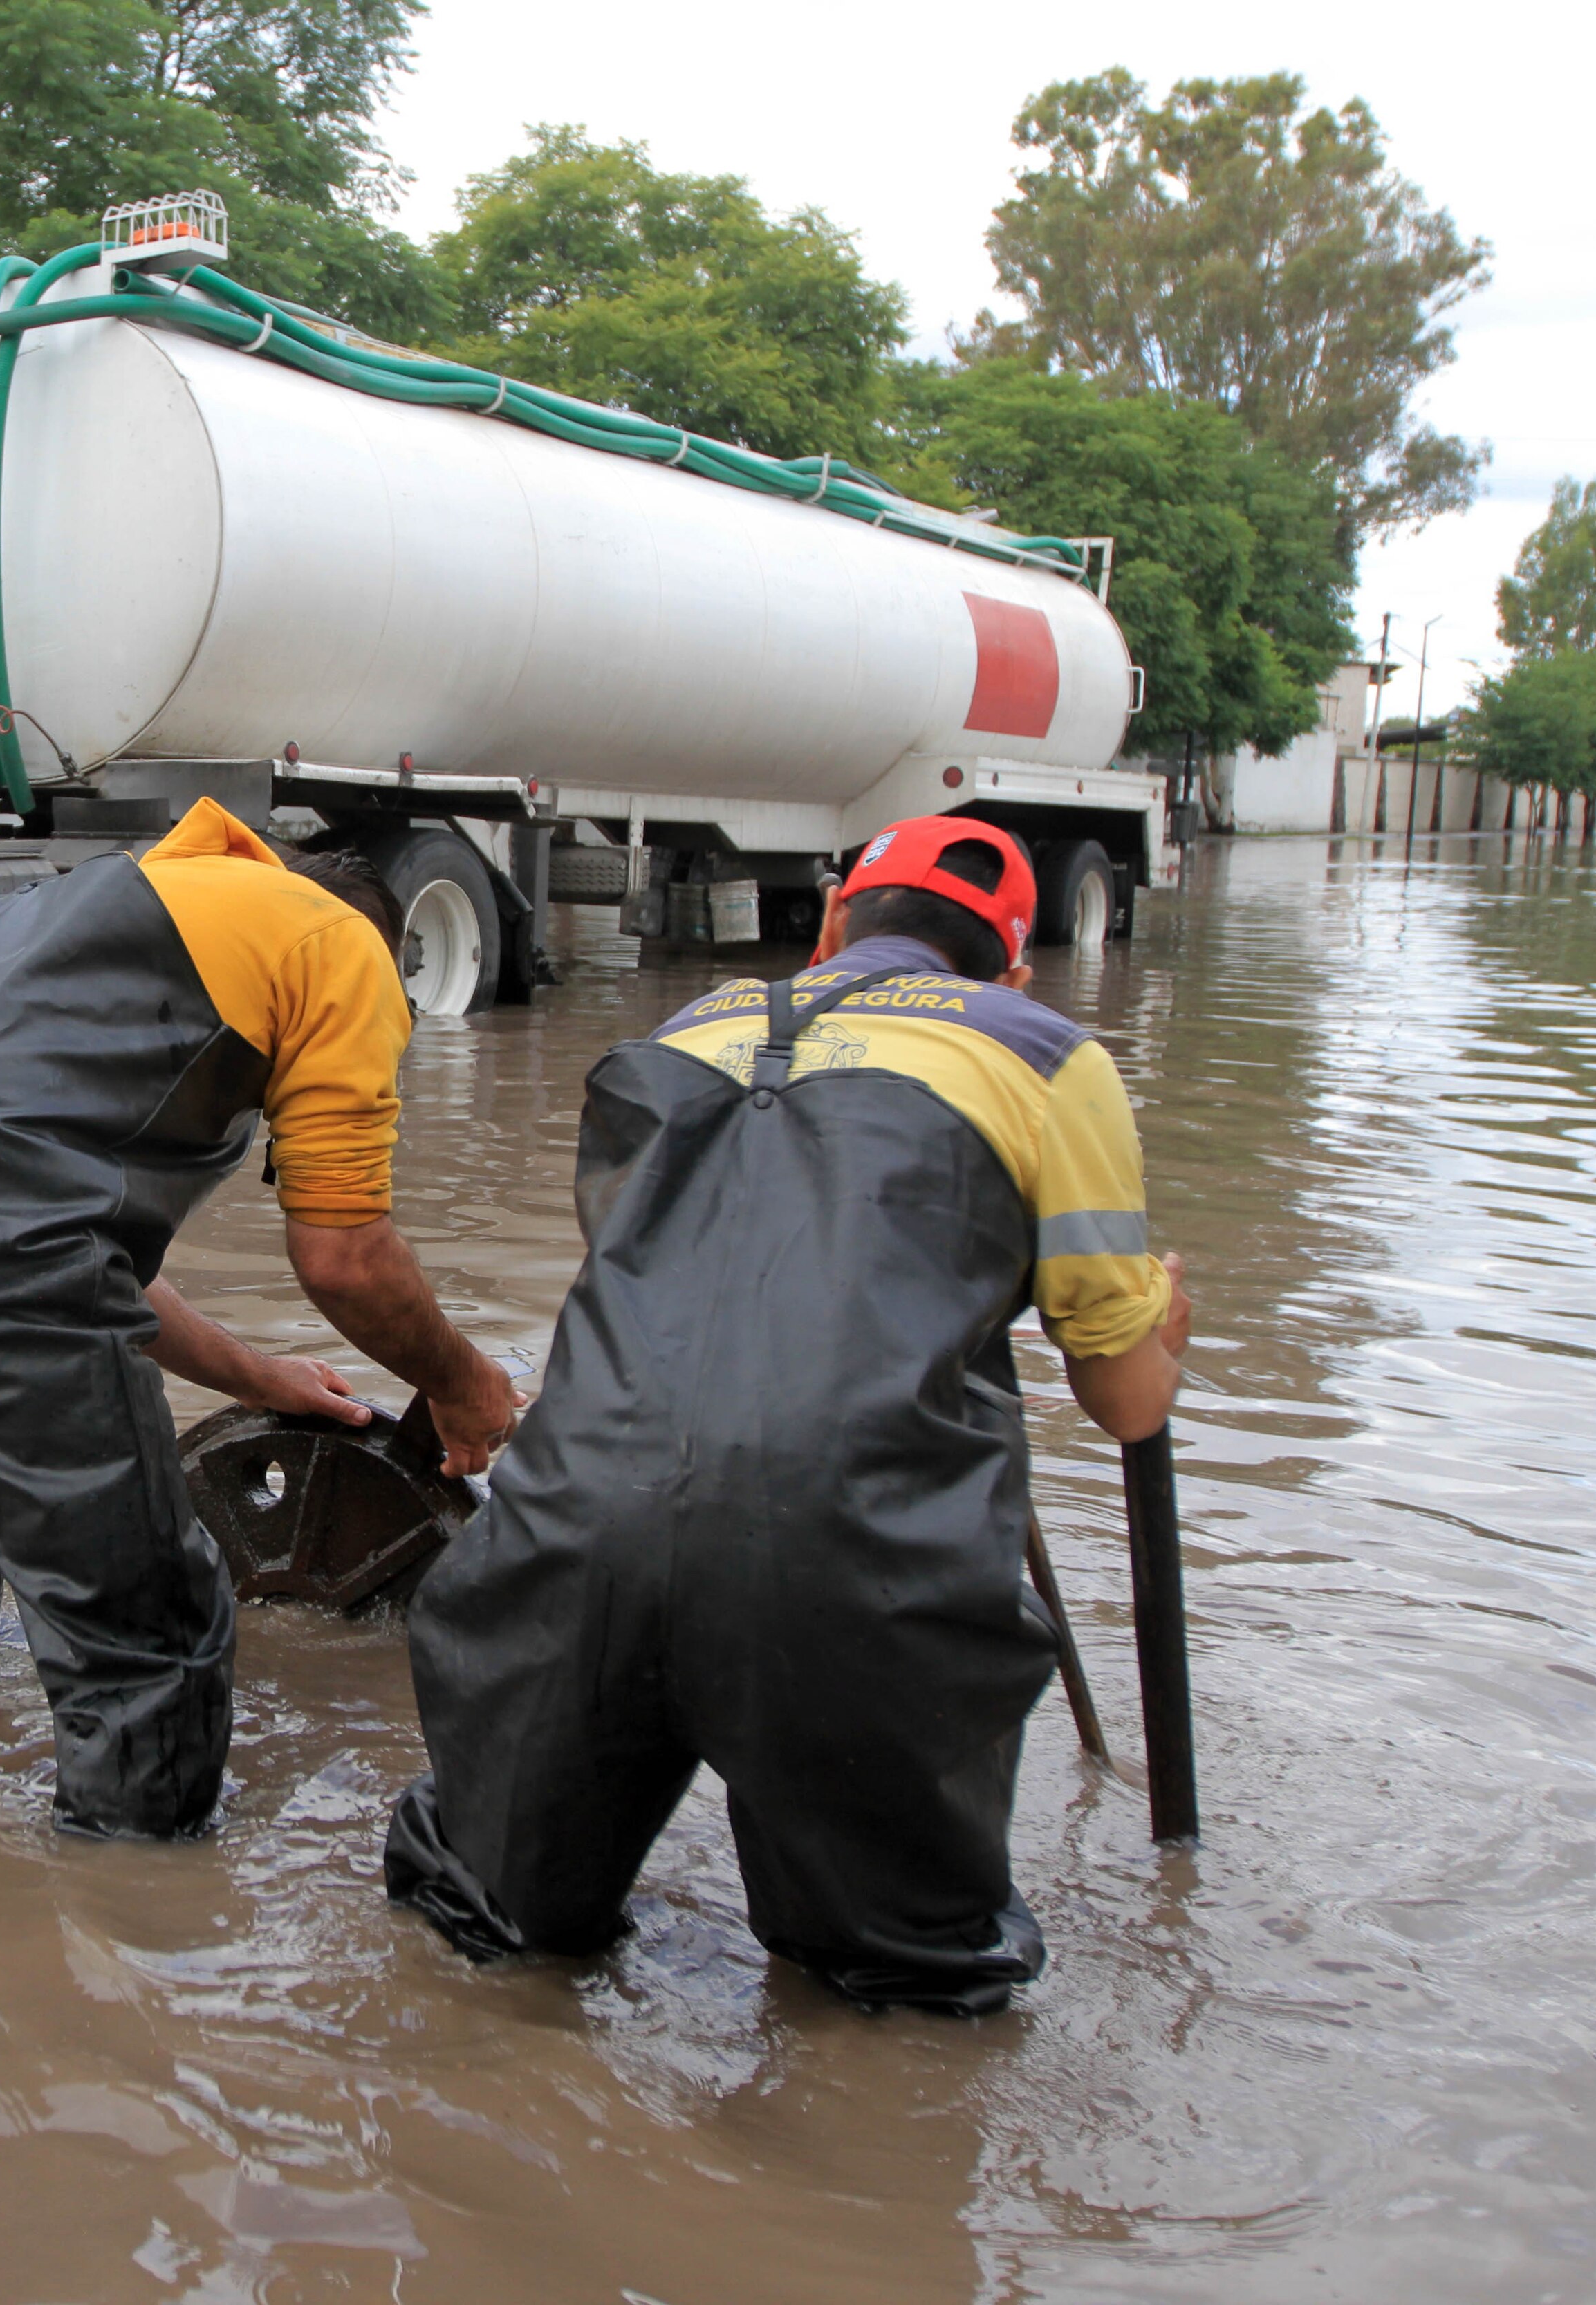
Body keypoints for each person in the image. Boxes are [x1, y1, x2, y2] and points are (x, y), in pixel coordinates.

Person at [382, 815, 1194, 2014]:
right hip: (852, 1561)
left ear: (828, 930)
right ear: (1011, 969)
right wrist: (1163, 1319)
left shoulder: (673, 1036)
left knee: (485, 1933)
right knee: (893, 2002)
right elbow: (1126, 1402)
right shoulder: (1046, 1055)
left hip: (567, 1527)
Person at [0, 797, 520, 1838]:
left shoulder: (68, 909)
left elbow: (13, 1210)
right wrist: (466, 1381)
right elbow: (345, 1258)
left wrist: (254, 1376)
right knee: (152, 1659)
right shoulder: (339, 941)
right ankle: (127, 1934)